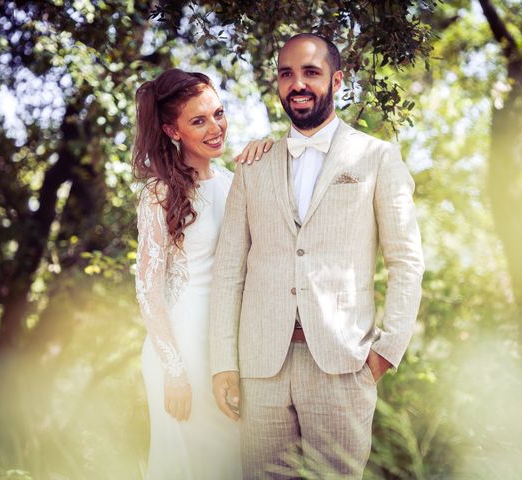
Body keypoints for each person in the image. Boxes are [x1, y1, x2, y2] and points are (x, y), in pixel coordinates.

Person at [210, 33, 425, 479]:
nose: (298, 84)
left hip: (343, 365)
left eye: (311, 72)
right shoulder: (252, 165)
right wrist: (224, 361)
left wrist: (387, 350)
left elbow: (405, 260)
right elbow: (230, 270)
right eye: (287, 74)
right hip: (261, 367)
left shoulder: (377, 158)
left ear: (338, 80)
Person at [132, 68, 271, 480]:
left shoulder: (237, 183)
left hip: (231, 345)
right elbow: (147, 290)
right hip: (182, 348)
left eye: (219, 114)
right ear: (172, 129)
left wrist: (267, 155)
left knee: (232, 463)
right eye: (199, 120)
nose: (216, 128)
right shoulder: (158, 194)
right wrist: (174, 370)